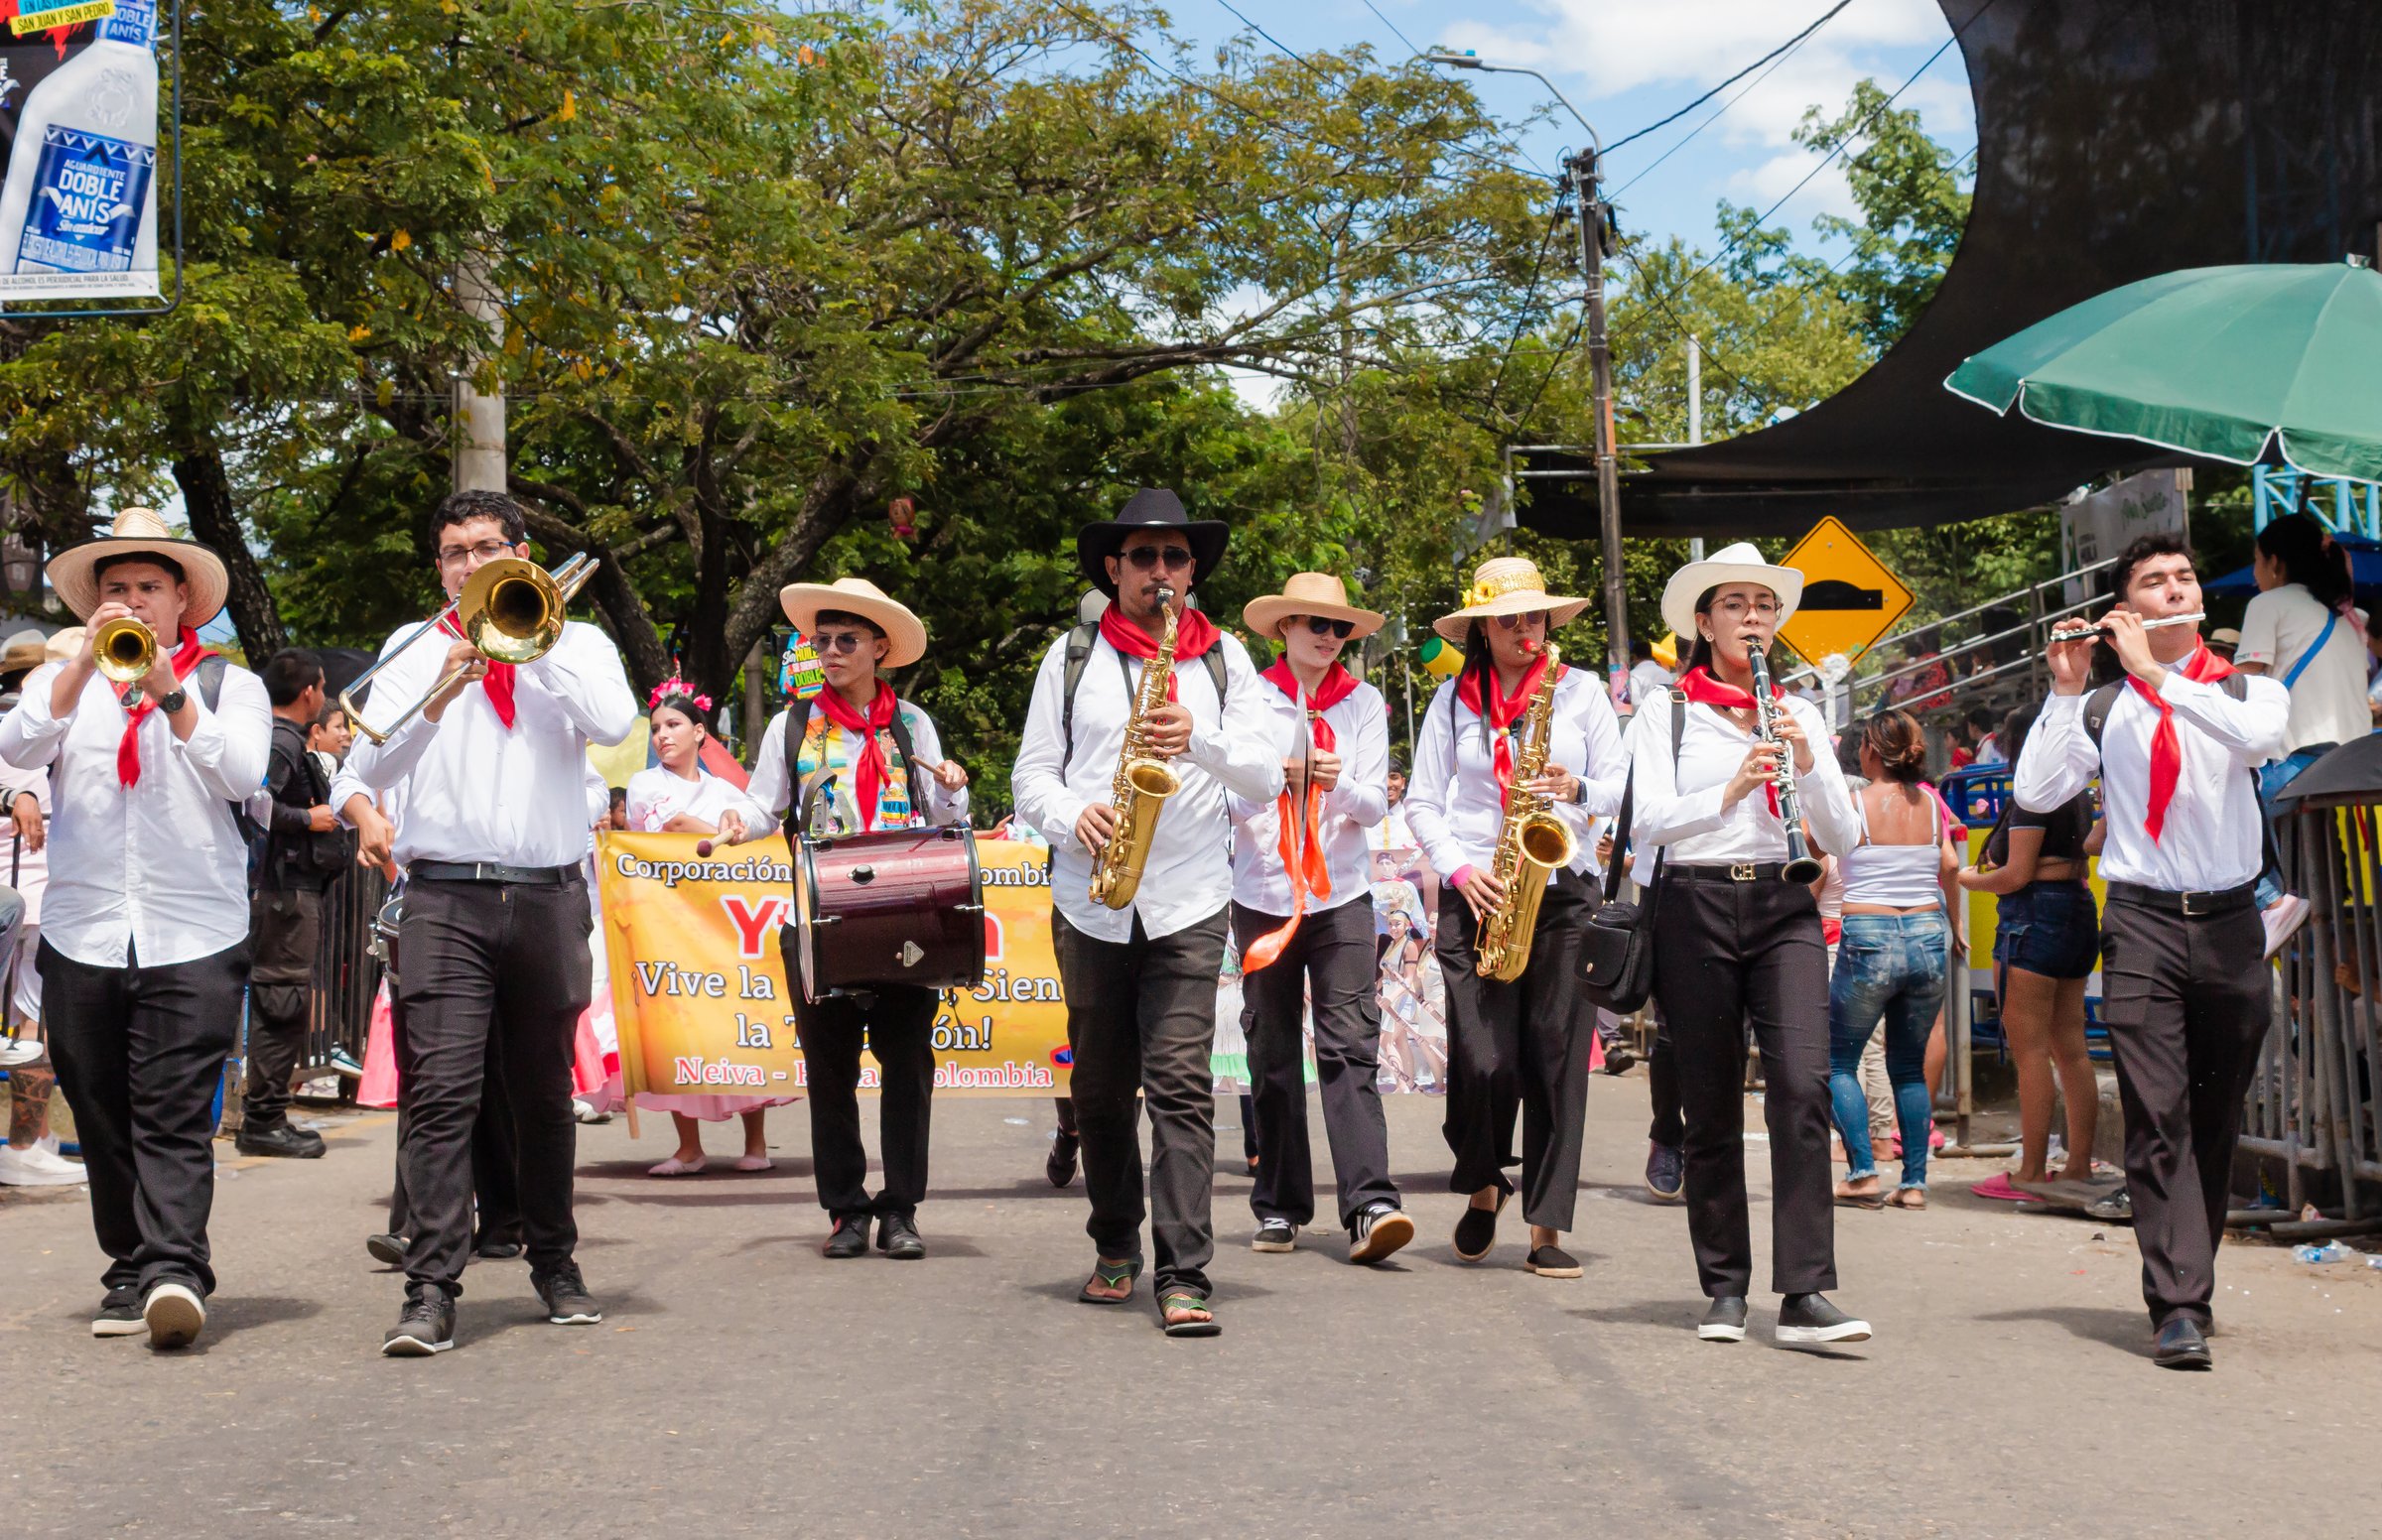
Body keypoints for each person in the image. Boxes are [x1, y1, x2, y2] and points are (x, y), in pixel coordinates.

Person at [339, 489, 636, 1357]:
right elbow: (367, 763)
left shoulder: (574, 639)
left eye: (485, 549)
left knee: (545, 1096)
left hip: (546, 893)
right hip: (442, 897)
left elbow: (616, 723)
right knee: (442, 1094)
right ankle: (430, 1286)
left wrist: (527, 644)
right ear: (439, 566)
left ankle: (556, 1265)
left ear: (521, 554)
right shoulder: (409, 647)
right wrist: (436, 691)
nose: (469, 566)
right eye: (454, 553)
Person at [1010, 488, 1280, 1336]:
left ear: (1192, 571)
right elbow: (1031, 776)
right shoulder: (1071, 656)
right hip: (1092, 898)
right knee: (1097, 1091)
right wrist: (1068, 818)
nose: (1158, 572)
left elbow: (1267, 776)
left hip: (1190, 898)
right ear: (1114, 568)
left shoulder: (1228, 660)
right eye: (1142, 557)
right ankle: (1115, 1240)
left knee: (1179, 1087)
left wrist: (1192, 735)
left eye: (1173, 558)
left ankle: (1185, 1271)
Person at [2015, 532, 2286, 1370]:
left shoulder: (2251, 689)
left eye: (2183, 578)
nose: (2173, 589)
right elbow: (2035, 792)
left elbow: (2259, 743)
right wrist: (2066, 694)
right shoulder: (2105, 707)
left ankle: (2188, 1275)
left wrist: (2161, 677)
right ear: (2126, 607)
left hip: (2233, 921)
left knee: (2213, 1113)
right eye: (2153, 582)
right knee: (2157, 1108)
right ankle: (2177, 1303)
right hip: (2140, 922)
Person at [0, 509, 271, 1347]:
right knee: (101, 1104)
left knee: (174, 1107)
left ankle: (176, 1270)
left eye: (148, 588)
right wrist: (80, 667)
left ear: (181, 598)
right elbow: (14, 745)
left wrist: (167, 689)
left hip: (193, 927)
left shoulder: (231, 684)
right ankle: (129, 1264)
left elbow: (242, 775)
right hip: (84, 925)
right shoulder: (62, 682)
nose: (132, 602)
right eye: (116, 590)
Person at [1630, 542, 1870, 1347]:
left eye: (1764, 606)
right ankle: (1724, 1288)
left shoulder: (1799, 710)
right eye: (1736, 604)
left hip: (1783, 900)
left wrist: (1808, 761)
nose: (1753, 618)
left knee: (1802, 1086)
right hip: (1693, 900)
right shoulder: (1667, 711)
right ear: (1705, 621)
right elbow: (1645, 827)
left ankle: (1804, 1291)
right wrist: (1727, 790)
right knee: (1710, 1100)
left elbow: (1847, 833)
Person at [717, 578, 969, 1258]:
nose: (828, 650)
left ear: (879, 648)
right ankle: (846, 1210)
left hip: (903, 918)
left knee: (908, 1065)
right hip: (819, 918)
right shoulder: (792, 725)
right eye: (819, 639)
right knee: (830, 1071)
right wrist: (739, 822)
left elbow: (948, 820)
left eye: (844, 639)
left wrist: (953, 787)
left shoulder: (911, 724)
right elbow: (765, 807)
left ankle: (902, 1209)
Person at [1404, 556, 1624, 1282]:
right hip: (1480, 892)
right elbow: (1423, 802)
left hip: (1561, 891)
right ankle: (1483, 1178)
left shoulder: (1581, 692)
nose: (1524, 629)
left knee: (1557, 1059)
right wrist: (1462, 871)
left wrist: (1579, 785)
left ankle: (1546, 1225)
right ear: (1483, 629)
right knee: (1484, 1058)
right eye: (1509, 619)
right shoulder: (1452, 701)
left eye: (1534, 617)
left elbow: (1620, 786)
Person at [1228, 573, 1408, 1264]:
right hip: (1264, 896)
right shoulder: (1249, 701)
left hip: (1340, 897)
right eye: (1315, 625)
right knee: (1271, 1053)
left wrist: (1335, 783)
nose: (1328, 639)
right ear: (1284, 629)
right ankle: (1278, 1207)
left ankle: (1371, 1204)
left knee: (1349, 1048)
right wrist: (1276, 776)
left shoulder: (1363, 704)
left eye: (1339, 629)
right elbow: (1231, 802)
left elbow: (1374, 806)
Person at [620, 677, 794, 1176]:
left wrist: (740, 830)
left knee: (742, 1022)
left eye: (673, 725)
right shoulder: (645, 785)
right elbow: (670, 828)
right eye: (655, 728)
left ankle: (756, 1145)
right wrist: (731, 832)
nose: (662, 736)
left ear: (701, 732)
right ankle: (689, 1146)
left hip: (725, 924)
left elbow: (768, 836)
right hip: (669, 921)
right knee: (676, 1028)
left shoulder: (726, 791)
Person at [1959, 704, 2100, 1194]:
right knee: (2073, 1049)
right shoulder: (2077, 791)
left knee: (2032, 1051)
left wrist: (1967, 879)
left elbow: (2014, 874)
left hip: (2034, 917)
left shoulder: (2035, 793)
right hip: (2077, 911)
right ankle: (2079, 1163)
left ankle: (2031, 1170)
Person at [1826, 709, 1959, 1212]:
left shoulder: (1854, 803)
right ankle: (1915, 1183)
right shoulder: (1930, 803)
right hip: (1927, 932)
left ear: (1869, 753)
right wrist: (1957, 926)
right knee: (1907, 1065)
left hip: (1869, 934)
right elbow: (1948, 864)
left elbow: (1816, 851)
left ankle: (1862, 1172)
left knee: (1839, 1060)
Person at [2234, 513, 2365, 954]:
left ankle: (2268, 901)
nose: (2255, 574)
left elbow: (2241, 684)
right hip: (2353, 766)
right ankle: (2324, 915)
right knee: (2315, 863)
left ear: (2274, 562)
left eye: (2256, 562)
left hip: (2302, 764)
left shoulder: (2269, 605)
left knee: (2222, 803)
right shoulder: (2350, 615)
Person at [239, 649, 350, 1160]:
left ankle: (268, 1115)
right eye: (323, 688)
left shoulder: (279, 739)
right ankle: (263, 1120)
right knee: (281, 1003)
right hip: (284, 896)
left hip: (288, 892)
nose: (325, 697)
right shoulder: (281, 742)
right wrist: (309, 821)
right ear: (308, 692)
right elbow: (256, 803)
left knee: (283, 1002)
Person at [1626, 633, 1672, 707]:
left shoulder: (1634, 675)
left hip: (1644, 716)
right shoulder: (1666, 674)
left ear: (1634, 656)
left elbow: (1635, 702)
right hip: (1666, 716)